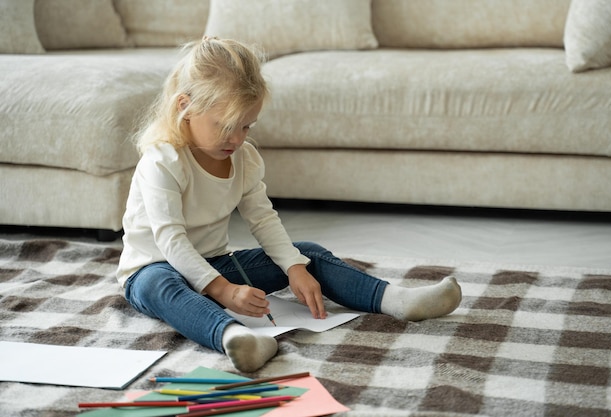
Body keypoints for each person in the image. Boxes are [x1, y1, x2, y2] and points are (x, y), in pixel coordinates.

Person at [116, 37, 462, 373]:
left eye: (246, 126)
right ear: (185, 107)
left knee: (305, 254)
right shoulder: (162, 161)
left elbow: (263, 219)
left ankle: (397, 300)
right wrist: (225, 292)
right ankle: (236, 337)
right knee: (157, 285)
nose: (237, 139)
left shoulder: (244, 158)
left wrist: (294, 268)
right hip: (154, 266)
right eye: (225, 126)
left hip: (215, 263)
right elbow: (171, 241)